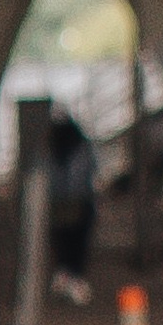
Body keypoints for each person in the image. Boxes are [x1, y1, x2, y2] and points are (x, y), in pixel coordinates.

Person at [45, 104, 97, 307]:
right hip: (80, 202)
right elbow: (91, 171)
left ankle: (63, 275)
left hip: (58, 204)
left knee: (62, 243)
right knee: (77, 244)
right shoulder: (82, 146)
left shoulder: (50, 148)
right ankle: (73, 279)